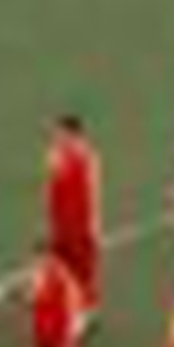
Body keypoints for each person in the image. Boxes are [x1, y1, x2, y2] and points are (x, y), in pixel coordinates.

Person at [37, 112, 103, 301]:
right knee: (58, 260)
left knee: (83, 264)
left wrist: (94, 221)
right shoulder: (55, 154)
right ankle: (62, 299)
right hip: (59, 217)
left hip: (79, 219)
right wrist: (47, 216)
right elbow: (50, 187)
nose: (56, 136)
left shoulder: (86, 156)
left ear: (72, 133)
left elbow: (92, 189)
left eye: (60, 132)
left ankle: (87, 304)